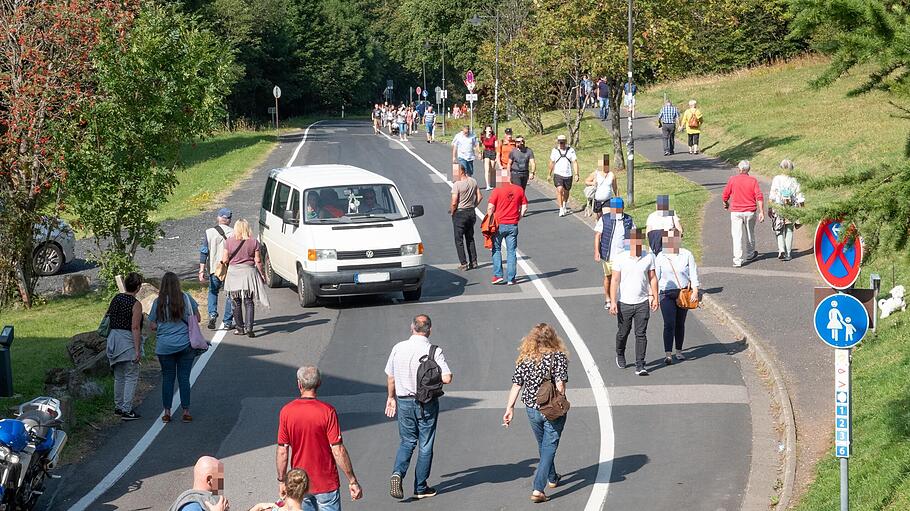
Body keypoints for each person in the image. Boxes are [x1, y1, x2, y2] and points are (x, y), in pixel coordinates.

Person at [384, 315, 453, 500]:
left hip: (404, 401)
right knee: (425, 443)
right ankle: (420, 487)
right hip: (426, 402)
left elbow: (391, 377)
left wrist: (391, 397)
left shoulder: (398, 348)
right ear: (429, 330)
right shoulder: (434, 351)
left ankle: (397, 473)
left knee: (407, 441)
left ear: (411, 327)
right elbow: (447, 377)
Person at [277, 366, 362, 510]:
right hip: (326, 483)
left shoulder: (286, 411)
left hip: (300, 483)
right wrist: (352, 480)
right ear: (319, 383)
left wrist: (282, 480)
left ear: (299, 384)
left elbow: (282, 451)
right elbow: (338, 450)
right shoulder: (327, 412)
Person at [502, 323, 569, 504]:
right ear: (552, 337)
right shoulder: (558, 357)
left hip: (532, 409)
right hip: (552, 409)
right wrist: (561, 400)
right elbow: (560, 383)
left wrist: (510, 408)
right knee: (549, 446)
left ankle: (552, 477)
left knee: (544, 445)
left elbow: (517, 384)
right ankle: (538, 489)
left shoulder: (525, 357)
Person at [149, 271, 199, 423]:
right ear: (178, 284)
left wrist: (162, 327)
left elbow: (152, 325)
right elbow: (197, 318)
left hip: (164, 347)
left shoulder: (158, 302)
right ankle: (186, 411)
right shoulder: (186, 298)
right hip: (185, 344)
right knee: (184, 378)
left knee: (168, 379)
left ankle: (167, 412)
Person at [609, 228, 658, 376]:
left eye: (639, 243)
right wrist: (613, 301)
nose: (636, 247)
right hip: (624, 303)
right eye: (634, 243)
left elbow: (653, 278)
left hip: (642, 302)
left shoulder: (648, 257)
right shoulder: (620, 258)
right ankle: (620, 353)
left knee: (641, 334)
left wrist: (655, 296)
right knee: (623, 332)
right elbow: (615, 280)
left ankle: (640, 364)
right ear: (629, 243)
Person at [654, 229, 699, 364]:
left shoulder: (686, 255)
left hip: (683, 293)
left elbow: (693, 273)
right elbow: (656, 276)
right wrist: (653, 295)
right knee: (669, 323)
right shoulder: (661, 256)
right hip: (666, 293)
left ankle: (678, 351)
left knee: (680, 323)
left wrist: (695, 290)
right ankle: (668, 353)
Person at [105, 271, 143, 421]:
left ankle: (118, 406)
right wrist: (137, 349)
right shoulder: (136, 304)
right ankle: (127, 409)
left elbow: (108, 316)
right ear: (138, 287)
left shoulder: (116, 298)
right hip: (126, 339)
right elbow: (135, 327)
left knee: (119, 376)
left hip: (113, 338)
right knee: (131, 375)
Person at [222, 219, 270, 337]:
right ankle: (249, 327)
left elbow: (225, 259)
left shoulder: (229, 242)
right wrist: (262, 273)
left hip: (233, 274)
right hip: (248, 272)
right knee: (249, 301)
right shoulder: (254, 242)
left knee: (235, 301)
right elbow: (258, 260)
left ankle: (240, 328)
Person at [722, 160, 765, 267]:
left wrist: (726, 203)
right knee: (750, 233)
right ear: (748, 169)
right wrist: (761, 211)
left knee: (736, 236)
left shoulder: (733, 180)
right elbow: (759, 196)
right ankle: (750, 253)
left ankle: (737, 260)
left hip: (736, 211)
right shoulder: (753, 181)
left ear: (739, 169)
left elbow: (725, 195)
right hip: (750, 211)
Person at [594, 197, 634, 310]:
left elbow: (633, 236)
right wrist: (597, 251)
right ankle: (608, 298)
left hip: (623, 255)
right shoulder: (605, 219)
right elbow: (597, 235)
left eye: (618, 208)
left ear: (622, 208)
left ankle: (621, 298)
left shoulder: (628, 220)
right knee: (609, 277)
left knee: (623, 277)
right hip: (609, 255)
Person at [487, 178, 528, 285]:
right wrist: (519, 217)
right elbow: (524, 207)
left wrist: (489, 220)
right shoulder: (519, 189)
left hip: (499, 224)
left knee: (496, 249)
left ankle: (498, 275)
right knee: (511, 251)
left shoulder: (497, 190)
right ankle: (511, 278)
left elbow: (490, 208)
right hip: (513, 224)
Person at [199, 208, 234, 330]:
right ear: (229, 220)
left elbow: (204, 252)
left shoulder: (209, 232)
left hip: (214, 268)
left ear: (218, 218)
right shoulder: (234, 233)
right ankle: (227, 321)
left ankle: (212, 314)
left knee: (213, 291)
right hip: (229, 268)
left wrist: (201, 270)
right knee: (230, 294)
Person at [769, 159, 805, 261]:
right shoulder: (795, 180)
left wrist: (769, 207)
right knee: (789, 230)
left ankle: (781, 249)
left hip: (778, 206)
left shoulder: (776, 179)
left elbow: (772, 194)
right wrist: (802, 209)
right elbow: (800, 196)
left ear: (781, 168)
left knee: (778, 229)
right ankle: (788, 253)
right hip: (791, 208)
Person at [450, 164, 482, 271]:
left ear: (461, 172)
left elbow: (454, 202)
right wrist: (473, 206)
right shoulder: (473, 181)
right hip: (471, 212)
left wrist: (452, 211)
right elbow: (480, 196)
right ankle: (474, 261)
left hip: (460, 213)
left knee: (458, 239)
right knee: (470, 238)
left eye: (455, 172)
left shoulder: (457, 185)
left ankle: (463, 263)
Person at [548, 135, 580, 217]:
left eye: (563, 142)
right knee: (559, 189)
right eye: (560, 142)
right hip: (558, 174)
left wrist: (576, 174)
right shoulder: (555, 150)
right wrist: (549, 174)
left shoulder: (571, 150)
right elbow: (551, 162)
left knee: (566, 191)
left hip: (568, 174)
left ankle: (565, 204)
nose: (561, 144)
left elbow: (575, 162)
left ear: (565, 142)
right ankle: (561, 208)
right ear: (558, 142)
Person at [584, 155, 617, 220]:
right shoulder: (596, 173)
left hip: (608, 200)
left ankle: (606, 228)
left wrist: (618, 199)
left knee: (607, 216)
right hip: (597, 200)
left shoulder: (612, 175)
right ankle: (599, 227)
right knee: (598, 218)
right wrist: (592, 183)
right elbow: (586, 181)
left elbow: (615, 188)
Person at [480, 125, 497, 190]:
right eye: (488, 129)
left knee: (492, 169)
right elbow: (480, 145)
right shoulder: (483, 137)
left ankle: (493, 183)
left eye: (490, 129)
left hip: (493, 152)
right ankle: (488, 185)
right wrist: (480, 153)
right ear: (485, 130)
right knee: (487, 169)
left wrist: (497, 156)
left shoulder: (494, 137)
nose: (489, 130)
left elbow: (496, 146)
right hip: (486, 152)